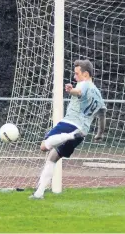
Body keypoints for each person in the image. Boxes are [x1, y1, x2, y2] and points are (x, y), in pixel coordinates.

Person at [30, 59, 106, 199]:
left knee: (43, 147)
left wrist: (71, 90)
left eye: (77, 74)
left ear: (86, 74)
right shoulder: (98, 93)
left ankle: (69, 136)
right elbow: (102, 115)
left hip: (70, 124)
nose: (75, 76)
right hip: (82, 132)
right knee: (53, 157)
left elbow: (78, 91)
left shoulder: (84, 84)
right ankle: (39, 193)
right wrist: (99, 133)